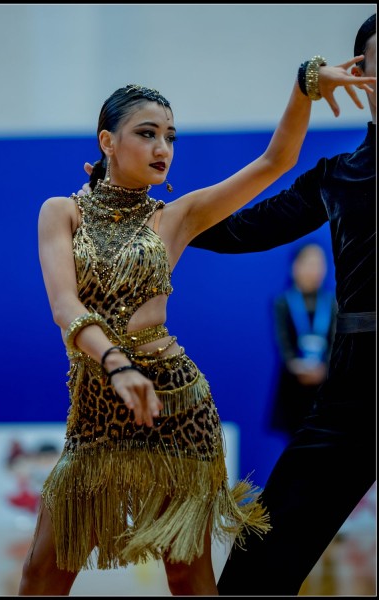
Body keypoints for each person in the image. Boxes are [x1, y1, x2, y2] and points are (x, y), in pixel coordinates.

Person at [19, 55, 375, 597]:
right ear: (107, 141)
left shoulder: (176, 216)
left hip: (176, 406)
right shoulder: (61, 212)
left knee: (187, 574)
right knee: (43, 572)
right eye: (147, 133)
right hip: (96, 405)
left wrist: (305, 85)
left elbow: (276, 161)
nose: (162, 147)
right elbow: (65, 306)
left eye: (170, 137)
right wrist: (115, 364)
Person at [190, 13, 376, 595]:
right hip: (357, 384)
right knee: (258, 566)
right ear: (359, 74)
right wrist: (147, 212)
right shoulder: (338, 177)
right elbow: (239, 228)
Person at [267, 243, 337, 441]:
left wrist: (326, 367)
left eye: (319, 264)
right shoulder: (283, 302)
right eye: (309, 263)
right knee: (294, 441)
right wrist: (294, 364)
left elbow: (336, 342)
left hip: (324, 385)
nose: (314, 270)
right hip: (292, 385)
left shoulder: (332, 303)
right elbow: (283, 342)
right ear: (295, 266)